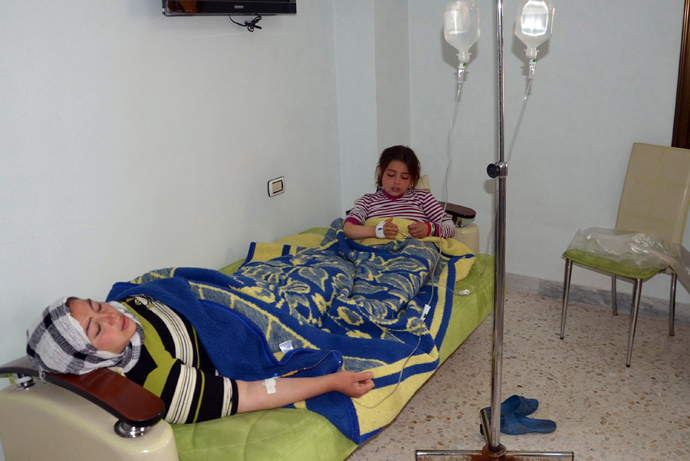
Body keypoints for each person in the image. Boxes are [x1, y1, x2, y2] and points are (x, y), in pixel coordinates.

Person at [26, 295, 375, 425]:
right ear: (90, 358)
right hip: (231, 326)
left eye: (97, 306)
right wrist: (330, 382)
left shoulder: (121, 310)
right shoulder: (159, 386)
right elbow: (253, 393)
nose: (111, 316)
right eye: (96, 329)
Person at [343, 145, 455, 241]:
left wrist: (429, 229)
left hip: (414, 252)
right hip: (376, 252)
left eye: (405, 177)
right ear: (381, 172)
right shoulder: (367, 201)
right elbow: (348, 229)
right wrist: (376, 231)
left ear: (412, 178)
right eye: (391, 175)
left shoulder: (423, 198)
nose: (397, 182)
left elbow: (450, 227)